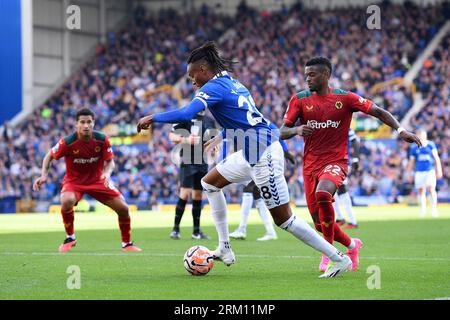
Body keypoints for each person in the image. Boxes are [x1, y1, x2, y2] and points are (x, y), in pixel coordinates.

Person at [137, 41, 354, 278]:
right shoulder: (234, 83)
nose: (191, 81)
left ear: (202, 70)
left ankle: (339, 258)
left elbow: (186, 113)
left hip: (263, 154)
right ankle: (224, 248)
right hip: (253, 152)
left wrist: (153, 117)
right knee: (209, 183)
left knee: (284, 220)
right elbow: (252, 119)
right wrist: (223, 135)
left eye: (191, 75)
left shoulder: (212, 88)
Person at [280, 56, 421, 272]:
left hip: (336, 161)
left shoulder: (345, 98)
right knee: (319, 223)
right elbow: (282, 131)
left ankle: (330, 255)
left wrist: (401, 131)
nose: (307, 79)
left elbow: (379, 112)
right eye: (306, 75)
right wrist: (297, 130)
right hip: (310, 165)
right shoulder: (299, 100)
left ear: (326, 75)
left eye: (312, 74)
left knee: (323, 194)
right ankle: (352, 245)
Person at [33, 108, 141, 252]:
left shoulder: (102, 139)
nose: (86, 125)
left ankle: (127, 243)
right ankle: (70, 237)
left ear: (93, 123)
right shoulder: (67, 142)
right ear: (76, 124)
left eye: (89, 122)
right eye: (82, 122)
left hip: (98, 181)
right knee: (66, 201)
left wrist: (107, 173)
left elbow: (110, 162)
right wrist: (44, 175)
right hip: (74, 182)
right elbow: (49, 156)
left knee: (124, 208)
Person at [229, 134, 296, 241]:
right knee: (257, 196)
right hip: (254, 162)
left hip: (262, 162)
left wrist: (286, 151)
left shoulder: (255, 125)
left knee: (248, 190)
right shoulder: (250, 125)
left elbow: (276, 134)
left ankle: (242, 229)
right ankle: (270, 231)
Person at [169, 110, 216, 240]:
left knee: (198, 195)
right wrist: (186, 139)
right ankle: (175, 229)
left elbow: (214, 138)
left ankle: (196, 231)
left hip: (202, 161)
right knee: (185, 193)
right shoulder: (186, 116)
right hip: (188, 160)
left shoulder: (209, 120)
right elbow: (172, 136)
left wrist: (214, 148)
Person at [407, 129, 443, 217]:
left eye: (422, 135)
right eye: (419, 135)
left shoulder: (431, 145)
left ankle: (434, 210)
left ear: (425, 136)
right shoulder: (414, 147)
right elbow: (411, 161)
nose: (421, 136)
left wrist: (439, 169)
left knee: (431, 189)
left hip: (429, 170)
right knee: (421, 191)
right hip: (419, 171)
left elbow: (436, 158)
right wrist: (409, 173)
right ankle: (422, 210)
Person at [334, 128, 360, 229]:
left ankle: (352, 221)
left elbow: (355, 141)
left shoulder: (344, 125)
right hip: (331, 161)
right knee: (332, 190)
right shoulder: (328, 124)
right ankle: (340, 218)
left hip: (342, 161)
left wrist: (355, 159)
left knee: (341, 189)